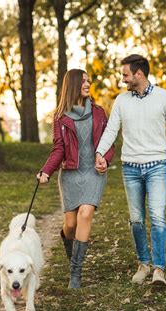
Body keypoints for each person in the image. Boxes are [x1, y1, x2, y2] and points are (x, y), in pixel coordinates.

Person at [95, 54, 166, 286]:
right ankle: (143, 264)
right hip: (131, 168)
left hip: (157, 166)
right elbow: (111, 130)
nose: (123, 79)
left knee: (157, 217)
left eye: (125, 74)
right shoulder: (121, 101)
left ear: (139, 74)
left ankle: (159, 269)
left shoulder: (164, 97)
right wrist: (99, 153)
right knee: (136, 220)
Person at [37, 69, 114, 289]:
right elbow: (58, 148)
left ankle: (75, 275)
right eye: (83, 81)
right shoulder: (60, 117)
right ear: (72, 85)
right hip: (70, 173)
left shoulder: (99, 113)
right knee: (70, 224)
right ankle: (71, 254)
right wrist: (46, 171)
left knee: (85, 213)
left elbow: (109, 143)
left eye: (88, 80)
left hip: (94, 172)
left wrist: (105, 160)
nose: (88, 84)